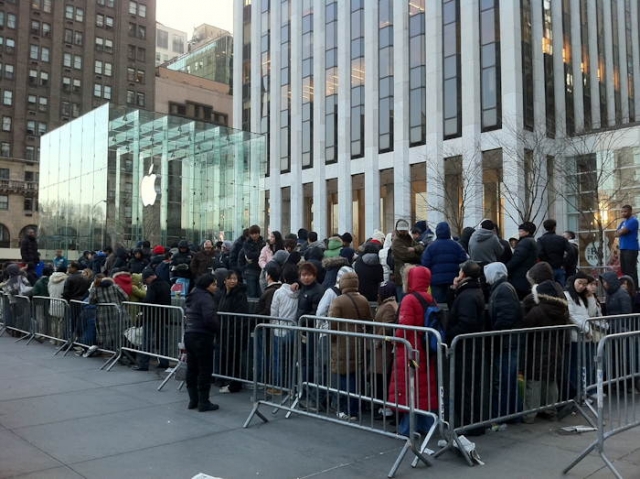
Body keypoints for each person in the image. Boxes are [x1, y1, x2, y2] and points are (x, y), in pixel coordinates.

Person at [388, 266, 439, 436]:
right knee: (423, 388)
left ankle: (407, 428)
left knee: (409, 388)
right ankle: (425, 425)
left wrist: (394, 338)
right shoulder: (430, 298)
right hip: (425, 348)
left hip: (409, 348)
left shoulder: (409, 299)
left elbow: (404, 327)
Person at [446, 260, 486, 435]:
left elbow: (466, 322)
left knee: (465, 387)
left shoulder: (468, 295)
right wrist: (452, 290)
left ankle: (468, 424)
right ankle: (470, 423)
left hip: (466, 347)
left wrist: (450, 334)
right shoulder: (469, 291)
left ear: (464, 274)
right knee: (468, 386)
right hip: (468, 346)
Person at [521, 280, 569, 423]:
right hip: (554, 348)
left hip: (537, 349)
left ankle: (530, 415)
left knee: (534, 382)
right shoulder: (562, 310)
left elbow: (526, 324)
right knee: (551, 381)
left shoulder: (538, 310)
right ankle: (550, 410)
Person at [328, 271, 373, 421]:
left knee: (342, 378)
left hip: (342, 343)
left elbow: (332, 324)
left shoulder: (339, 301)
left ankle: (344, 409)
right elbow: (369, 321)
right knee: (355, 377)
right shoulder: (363, 300)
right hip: (358, 342)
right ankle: (354, 410)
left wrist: (332, 339)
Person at [484, 262, 522, 418]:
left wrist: (494, 333)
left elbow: (506, 316)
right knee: (508, 380)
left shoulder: (502, 290)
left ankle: (505, 414)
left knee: (506, 381)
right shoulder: (503, 288)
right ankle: (511, 413)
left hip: (506, 342)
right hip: (508, 342)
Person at [184, 273, 220, 412]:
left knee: (192, 368)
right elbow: (209, 318)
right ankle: (203, 402)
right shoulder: (206, 298)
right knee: (205, 370)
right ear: (207, 285)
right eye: (213, 284)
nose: (216, 287)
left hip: (190, 334)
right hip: (202, 336)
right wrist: (218, 328)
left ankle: (193, 400)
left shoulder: (192, 296)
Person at [216, 269, 249, 393]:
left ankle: (234, 384)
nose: (233, 281)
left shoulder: (240, 294)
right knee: (227, 358)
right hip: (224, 331)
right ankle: (228, 381)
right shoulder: (224, 293)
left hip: (234, 332)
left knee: (234, 359)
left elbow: (240, 314)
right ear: (225, 280)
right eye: (230, 278)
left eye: (235, 278)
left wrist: (232, 328)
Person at [133, 268, 172, 371]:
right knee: (163, 340)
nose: (146, 282)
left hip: (151, 316)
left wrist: (142, 306)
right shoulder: (166, 284)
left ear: (150, 277)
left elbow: (149, 300)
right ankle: (164, 362)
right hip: (164, 316)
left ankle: (144, 364)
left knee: (147, 340)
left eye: (146, 280)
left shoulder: (153, 286)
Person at [269, 263, 299, 394]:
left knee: (278, 360)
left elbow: (274, 312)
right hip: (294, 329)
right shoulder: (299, 291)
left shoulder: (279, 292)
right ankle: (291, 385)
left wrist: (272, 325)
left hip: (279, 329)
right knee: (292, 360)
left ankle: (279, 386)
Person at [421, 221, 468, 303]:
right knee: (452, 303)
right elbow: (464, 259)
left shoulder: (431, 247)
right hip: (452, 280)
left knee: (438, 305)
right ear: (449, 232)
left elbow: (425, 263)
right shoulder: (456, 245)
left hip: (436, 281)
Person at [372, 281, 397, 419]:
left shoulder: (388, 306)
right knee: (382, 378)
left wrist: (378, 340)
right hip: (383, 347)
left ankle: (385, 407)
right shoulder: (389, 304)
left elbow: (386, 326)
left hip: (383, 348)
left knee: (383, 378)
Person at [88, 273, 128, 353]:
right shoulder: (115, 287)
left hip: (103, 314)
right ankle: (120, 350)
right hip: (117, 311)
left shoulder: (95, 289)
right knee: (119, 331)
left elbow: (91, 302)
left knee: (106, 333)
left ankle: (110, 351)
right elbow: (125, 297)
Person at [391, 219, 423, 300]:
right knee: (403, 300)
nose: (404, 232)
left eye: (405, 230)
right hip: (401, 275)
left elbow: (421, 247)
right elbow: (406, 255)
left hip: (411, 274)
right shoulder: (396, 242)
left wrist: (413, 249)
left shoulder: (408, 238)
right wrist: (417, 253)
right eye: (402, 231)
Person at [507, 222, 538, 299]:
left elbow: (517, 258)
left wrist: (507, 267)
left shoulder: (525, 242)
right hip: (527, 272)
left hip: (520, 274)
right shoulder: (532, 241)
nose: (519, 233)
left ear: (527, 232)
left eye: (521, 231)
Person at [537, 219, 571, 287]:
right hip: (559, 267)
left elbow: (539, 253)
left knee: (548, 288)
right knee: (561, 288)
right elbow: (570, 251)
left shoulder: (541, 240)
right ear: (554, 227)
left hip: (547, 268)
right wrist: (564, 262)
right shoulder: (562, 239)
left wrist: (546, 261)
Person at [615, 205, 639, 288]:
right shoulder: (623, 222)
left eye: (625, 211)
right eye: (622, 211)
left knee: (631, 270)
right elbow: (616, 233)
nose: (623, 213)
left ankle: (635, 290)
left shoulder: (633, 221)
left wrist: (620, 231)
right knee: (624, 270)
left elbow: (622, 232)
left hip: (631, 248)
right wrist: (620, 231)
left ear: (630, 211)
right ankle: (628, 288)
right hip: (623, 248)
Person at [240, 225, 265, 298]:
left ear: (259, 233)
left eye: (256, 233)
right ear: (250, 234)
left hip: (261, 270)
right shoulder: (246, 243)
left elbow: (263, 255)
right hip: (250, 271)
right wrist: (260, 253)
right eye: (252, 233)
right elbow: (249, 255)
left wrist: (256, 254)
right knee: (251, 293)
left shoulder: (263, 242)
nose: (254, 235)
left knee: (261, 293)